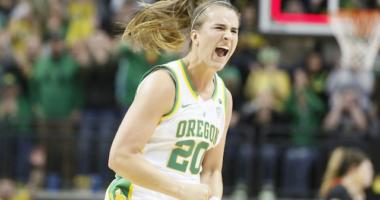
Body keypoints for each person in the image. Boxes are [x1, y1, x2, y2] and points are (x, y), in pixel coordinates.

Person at [105, 0, 239, 200]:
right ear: (195, 36)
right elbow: (120, 157)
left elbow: (211, 170)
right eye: (219, 28)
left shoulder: (224, 98)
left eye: (234, 30)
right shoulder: (165, 83)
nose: (227, 36)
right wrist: (182, 190)